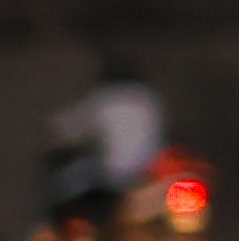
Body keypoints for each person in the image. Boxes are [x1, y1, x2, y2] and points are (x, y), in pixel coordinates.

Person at [44, 55, 164, 210]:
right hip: (150, 174)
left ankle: (60, 228)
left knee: (63, 183)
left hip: (111, 175)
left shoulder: (104, 99)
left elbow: (71, 129)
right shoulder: (150, 98)